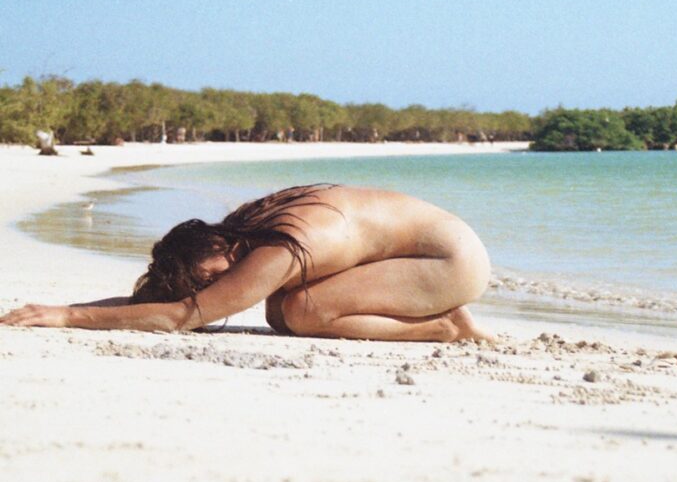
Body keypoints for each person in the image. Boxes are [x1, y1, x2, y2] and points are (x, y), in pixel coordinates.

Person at [0, 185, 494, 342]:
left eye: (206, 277)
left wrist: (69, 315)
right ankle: (435, 315)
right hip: (431, 246)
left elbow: (182, 316)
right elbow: (170, 301)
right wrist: (83, 305)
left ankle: (443, 326)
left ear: (212, 244)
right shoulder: (245, 228)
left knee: (301, 312)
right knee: (280, 312)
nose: (215, 283)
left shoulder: (279, 247)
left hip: (448, 261)